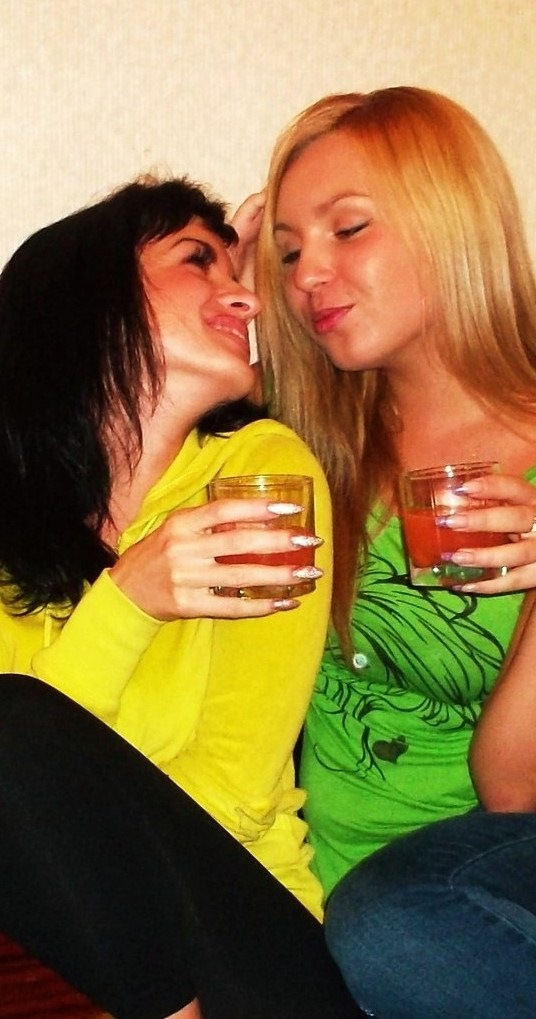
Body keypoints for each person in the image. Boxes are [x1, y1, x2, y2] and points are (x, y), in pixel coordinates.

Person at [0, 176, 364, 1019]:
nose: (246, 295)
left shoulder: (261, 477)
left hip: (251, 942)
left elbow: (231, 791)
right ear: (88, 301)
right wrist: (130, 596)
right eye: (198, 259)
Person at [242, 85, 536, 1015]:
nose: (307, 276)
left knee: (394, 926)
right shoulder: (307, 451)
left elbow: (513, 788)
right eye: (290, 251)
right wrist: (231, 289)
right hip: (324, 914)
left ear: (451, 221)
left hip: (465, 914)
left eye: (349, 229)